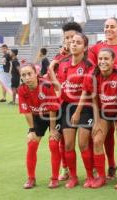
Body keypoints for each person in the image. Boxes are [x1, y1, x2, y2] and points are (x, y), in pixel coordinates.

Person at [73, 48, 117, 189]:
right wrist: (97, 121)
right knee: (97, 140)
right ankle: (101, 177)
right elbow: (93, 99)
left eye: (106, 59)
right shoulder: (92, 75)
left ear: (113, 60)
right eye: (100, 59)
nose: (103, 62)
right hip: (103, 112)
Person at [88, 17, 117, 179]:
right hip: (104, 106)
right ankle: (106, 171)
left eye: (112, 26)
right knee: (100, 137)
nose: (109, 29)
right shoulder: (96, 48)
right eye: (106, 26)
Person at [48, 32, 94, 189]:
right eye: (72, 42)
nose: (74, 44)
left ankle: (89, 176)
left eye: (78, 42)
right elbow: (60, 87)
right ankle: (73, 177)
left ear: (85, 47)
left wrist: (78, 111)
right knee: (68, 145)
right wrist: (51, 69)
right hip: (67, 107)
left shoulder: (89, 65)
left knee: (83, 144)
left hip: (85, 107)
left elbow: (85, 90)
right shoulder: (63, 63)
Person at [49, 22, 83, 182]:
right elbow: (50, 78)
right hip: (64, 105)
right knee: (64, 140)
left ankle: (96, 170)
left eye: (72, 37)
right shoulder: (58, 58)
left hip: (85, 105)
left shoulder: (87, 55)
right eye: (66, 38)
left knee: (87, 140)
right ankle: (66, 169)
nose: (69, 41)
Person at [18, 63, 61, 189]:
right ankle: (31, 178)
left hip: (53, 115)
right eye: (24, 75)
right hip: (37, 116)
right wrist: (31, 130)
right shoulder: (22, 89)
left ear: (36, 73)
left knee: (53, 143)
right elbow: (26, 111)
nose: (27, 77)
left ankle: (54, 178)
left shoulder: (46, 85)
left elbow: (53, 109)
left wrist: (52, 130)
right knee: (31, 143)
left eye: (29, 74)